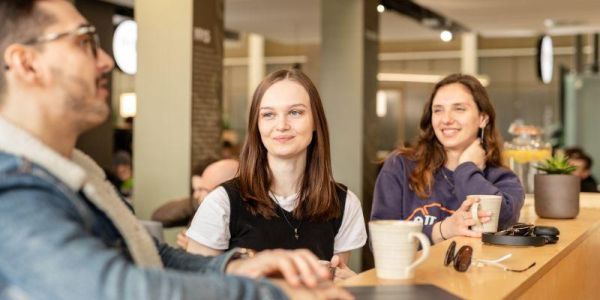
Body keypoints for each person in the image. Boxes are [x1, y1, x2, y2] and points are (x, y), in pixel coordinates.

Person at [0, 1, 351, 299]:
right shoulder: (11, 187)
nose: (105, 60)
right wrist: (271, 292)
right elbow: (114, 288)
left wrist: (237, 265)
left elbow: (151, 254)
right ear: (26, 63)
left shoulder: (73, 169)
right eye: (85, 42)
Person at [186, 69, 367, 280]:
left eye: (295, 112)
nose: (281, 126)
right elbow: (196, 286)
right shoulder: (222, 203)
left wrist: (347, 283)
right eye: (268, 114)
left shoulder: (345, 203)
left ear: (316, 121)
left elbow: (333, 281)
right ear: (257, 125)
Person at [371, 74, 524, 244]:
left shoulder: (501, 178)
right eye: (438, 110)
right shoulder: (401, 165)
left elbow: (503, 222)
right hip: (416, 271)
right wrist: (443, 230)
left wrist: (466, 168)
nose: (446, 119)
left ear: (483, 118)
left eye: (459, 109)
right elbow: (380, 240)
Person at [152, 158, 240, 249]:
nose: (196, 195)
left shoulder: (231, 217)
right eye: (195, 189)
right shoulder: (199, 206)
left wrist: (195, 248)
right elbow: (158, 217)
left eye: (201, 189)